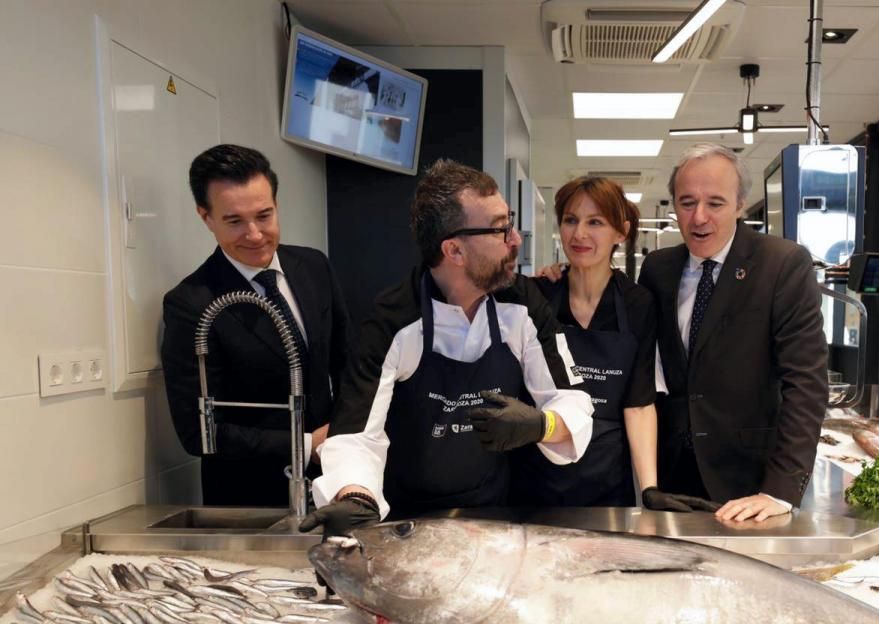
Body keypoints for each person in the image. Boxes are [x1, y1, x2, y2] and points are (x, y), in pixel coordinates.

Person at [302, 159, 594, 533]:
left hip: (495, 515)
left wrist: (542, 424)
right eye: (500, 229)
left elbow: (571, 398)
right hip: (404, 519)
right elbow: (358, 434)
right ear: (454, 250)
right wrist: (356, 496)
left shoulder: (522, 305)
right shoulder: (392, 321)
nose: (516, 239)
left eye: (510, 221)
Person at [638, 143, 828, 522]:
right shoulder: (658, 269)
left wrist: (780, 490)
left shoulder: (782, 264)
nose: (699, 218)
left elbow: (806, 382)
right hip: (670, 476)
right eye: (687, 202)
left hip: (751, 482)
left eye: (716, 203)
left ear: (741, 205)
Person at [161, 144, 351, 506]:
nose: (254, 234)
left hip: (332, 480)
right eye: (234, 222)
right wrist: (308, 444)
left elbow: (348, 362)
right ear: (206, 218)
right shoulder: (191, 303)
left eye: (264, 216)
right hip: (249, 498)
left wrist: (347, 437)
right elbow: (198, 433)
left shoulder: (313, 267)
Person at [512, 177, 716, 511]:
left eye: (595, 222)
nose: (579, 234)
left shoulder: (638, 304)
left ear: (620, 232)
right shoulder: (538, 296)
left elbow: (638, 402)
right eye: (570, 220)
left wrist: (649, 488)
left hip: (606, 479)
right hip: (535, 474)